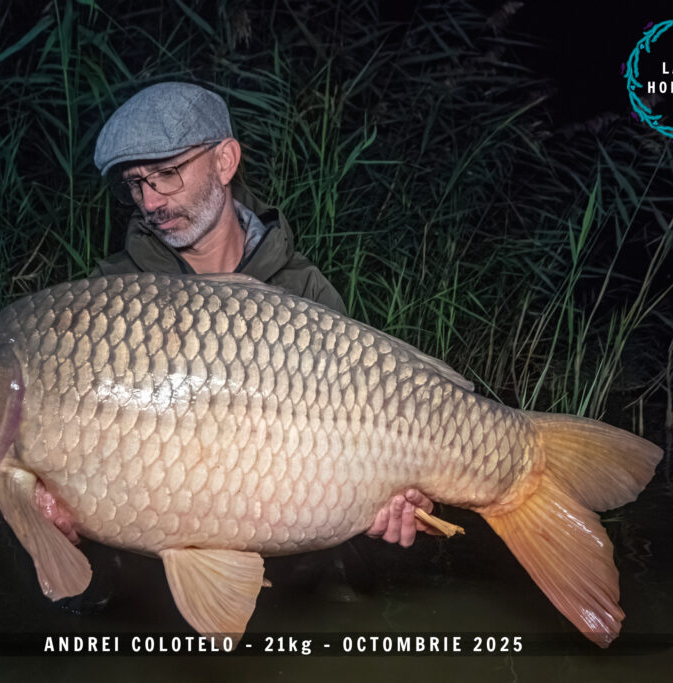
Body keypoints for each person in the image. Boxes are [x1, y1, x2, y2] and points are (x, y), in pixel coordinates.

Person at [67, 82, 434, 614]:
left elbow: (365, 436)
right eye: (135, 184)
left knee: (360, 577)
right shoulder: (111, 299)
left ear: (225, 160)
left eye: (167, 173)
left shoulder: (306, 290)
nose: (149, 201)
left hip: (293, 565)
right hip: (154, 572)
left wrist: (392, 497)